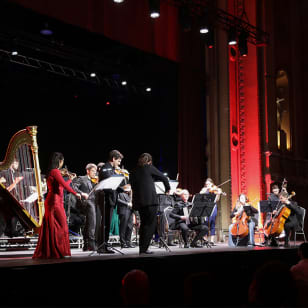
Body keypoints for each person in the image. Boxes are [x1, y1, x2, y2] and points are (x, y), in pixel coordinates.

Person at [32, 152, 84, 259]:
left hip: (56, 201)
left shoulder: (53, 172)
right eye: (62, 161)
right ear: (60, 161)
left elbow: (61, 186)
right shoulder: (55, 171)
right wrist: (76, 193)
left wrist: (71, 179)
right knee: (61, 226)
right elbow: (64, 186)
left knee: (56, 226)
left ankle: (55, 250)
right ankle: (58, 250)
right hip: (54, 202)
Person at [130, 153, 170, 254]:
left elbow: (133, 186)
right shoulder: (149, 167)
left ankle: (142, 248)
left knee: (143, 225)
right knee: (151, 225)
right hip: (151, 201)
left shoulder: (133, 171)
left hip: (139, 202)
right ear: (149, 161)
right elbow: (164, 178)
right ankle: (144, 249)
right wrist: (167, 189)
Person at [97, 149, 124, 254]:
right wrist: (121, 188)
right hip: (106, 200)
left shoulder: (110, 169)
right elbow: (109, 184)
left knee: (107, 224)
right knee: (105, 223)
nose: (119, 163)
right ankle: (102, 246)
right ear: (113, 159)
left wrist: (123, 189)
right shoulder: (106, 168)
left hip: (110, 200)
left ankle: (105, 245)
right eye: (118, 161)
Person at [72, 163, 98, 251]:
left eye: (95, 171)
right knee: (92, 223)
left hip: (93, 202)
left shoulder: (95, 180)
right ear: (88, 171)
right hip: (86, 202)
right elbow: (73, 187)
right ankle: (91, 243)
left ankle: (86, 244)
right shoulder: (82, 178)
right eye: (93, 171)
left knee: (89, 223)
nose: (95, 173)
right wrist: (82, 193)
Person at [199, 178, 223, 245]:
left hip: (213, 207)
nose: (207, 185)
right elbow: (200, 194)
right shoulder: (204, 189)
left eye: (209, 184)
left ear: (212, 184)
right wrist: (206, 189)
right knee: (205, 222)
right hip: (205, 207)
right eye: (206, 184)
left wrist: (218, 193)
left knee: (212, 222)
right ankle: (205, 239)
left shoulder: (215, 189)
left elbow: (217, 200)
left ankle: (212, 240)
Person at [117, 184, 135, 248]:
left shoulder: (130, 194)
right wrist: (127, 204)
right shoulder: (120, 192)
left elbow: (132, 201)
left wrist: (131, 193)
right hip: (123, 211)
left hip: (130, 211)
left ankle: (128, 242)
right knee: (123, 227)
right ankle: (123, 243)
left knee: (130, 227)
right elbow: (117, 200)